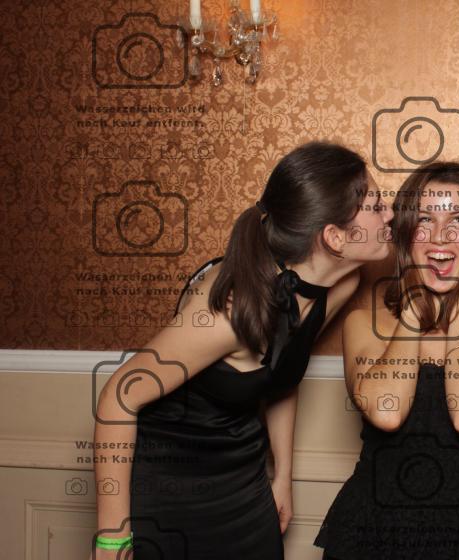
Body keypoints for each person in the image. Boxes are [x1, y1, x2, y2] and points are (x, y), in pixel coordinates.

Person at [90, 141, 394, 559]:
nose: (390, 215)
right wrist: (112, 535)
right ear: (335, 238)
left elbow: (282, 375)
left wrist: (282, 477)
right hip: (171, 488)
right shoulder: (228, 313)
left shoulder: (340, 285)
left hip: (244, 482)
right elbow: (118, 397)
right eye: (376, 207)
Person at [314, 162, 459, 559]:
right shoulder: (364, 324)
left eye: (458, 220)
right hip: (368, 534)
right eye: (424, 219)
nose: (439, 236)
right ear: (404, 235)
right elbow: (386, 412)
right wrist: (415, 310)